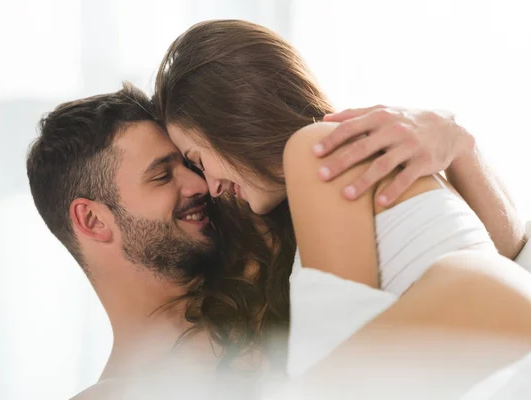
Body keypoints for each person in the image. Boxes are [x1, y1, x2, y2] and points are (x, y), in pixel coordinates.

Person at [153, 19, 531, 397]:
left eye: (198, 159)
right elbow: (510, 254)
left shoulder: (319, 152)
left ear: (230, 118)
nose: (214, 187)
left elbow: (339, 377)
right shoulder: (373, 155)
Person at [26, 84, 274, 399]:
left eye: (188, 165)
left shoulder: (268, 262)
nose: (200, 184)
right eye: (161, 176)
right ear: (93, 220)